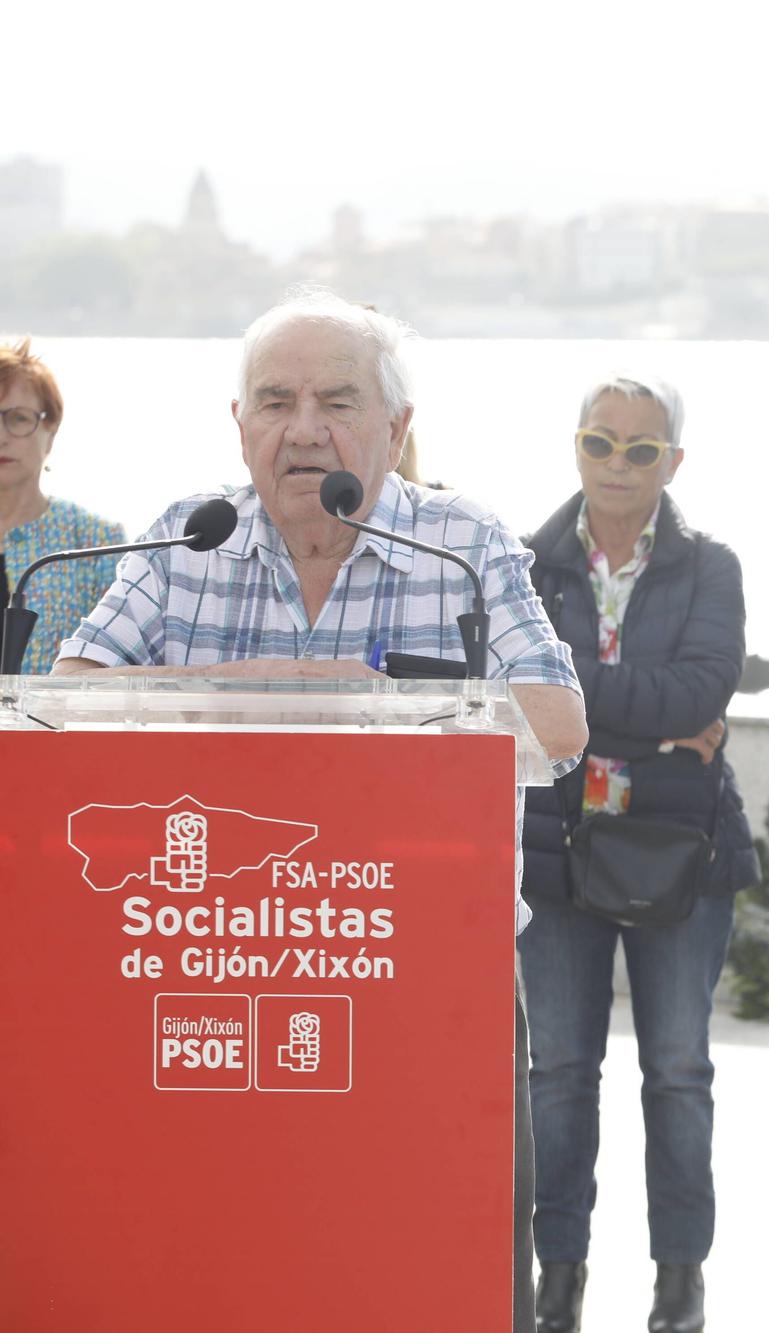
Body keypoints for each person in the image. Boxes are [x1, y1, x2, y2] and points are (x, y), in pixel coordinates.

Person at [52, 289, 587, 1333]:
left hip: (428, 974)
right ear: (239, 423)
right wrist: (246, 686)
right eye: (275, 400)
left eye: (336, 399)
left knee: (434, 1267)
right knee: (217, 1256)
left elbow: (557, 721)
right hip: (204, 970)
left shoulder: (459, 544)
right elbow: (67, 705)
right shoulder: (185, 537)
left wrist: (371, 697)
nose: (303, 428)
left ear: (394, 427)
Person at [518, 375, 758, 1333]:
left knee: (678, 1070)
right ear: (575, 447)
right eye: (599, 441)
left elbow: (698, 690)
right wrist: (645, 717)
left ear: (674, 461)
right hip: (557, 851)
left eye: (641, 448)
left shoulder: (712, 566)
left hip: (679, 848)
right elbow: (516, 684)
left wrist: (578, 699)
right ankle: (560, 1277)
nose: (618, 463)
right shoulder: (525, 564)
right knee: (561, 1071)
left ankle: (678, 1278)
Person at [0, 338, 126, 674]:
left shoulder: (96, 541)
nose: (1, 436)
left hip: (47, 724)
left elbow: (115, 664)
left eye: (18, 418)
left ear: (51, 430)